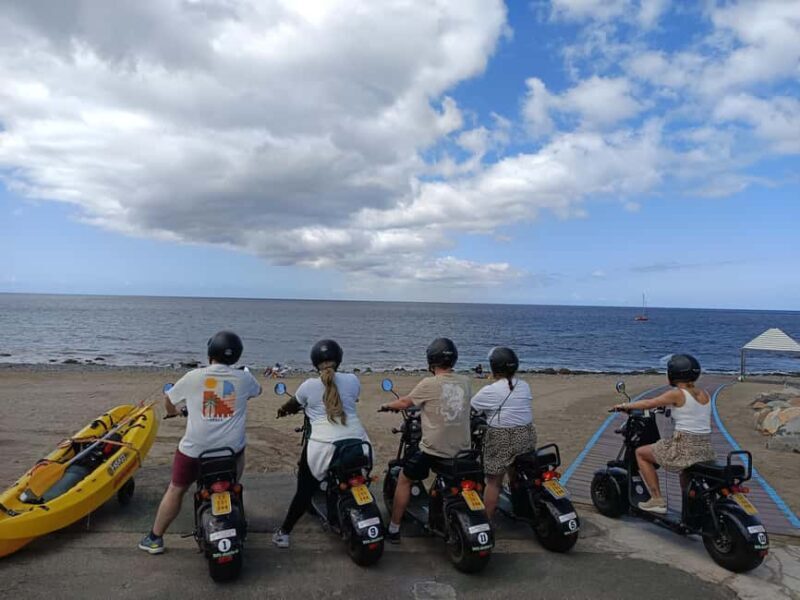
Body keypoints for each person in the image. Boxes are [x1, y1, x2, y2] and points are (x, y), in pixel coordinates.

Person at [138, 331, 262, 554]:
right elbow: (257, 392)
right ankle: (231, 489)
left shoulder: (193, 377)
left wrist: (174, 412)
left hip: (195, 453)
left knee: (176, 489)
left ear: (210, 353)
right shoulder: (245, 379)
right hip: (229, 454)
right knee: (241, 448)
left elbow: (169, 399)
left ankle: (155, 538)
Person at [272, 339, 370, 548]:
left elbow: (292, 405)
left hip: (323, 448)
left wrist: (283, 411)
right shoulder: (353, 380)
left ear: (314, 362)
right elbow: (353, 398)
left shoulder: (308, 386)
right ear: (339, 359)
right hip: (360, 444)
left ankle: (284, 533)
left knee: (304, 490)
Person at [379, 337, 471, 544]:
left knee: (405, 478)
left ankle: (393, 529)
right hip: (463, 451)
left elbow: (404, 402)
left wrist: (386, 405)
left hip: (434, 450)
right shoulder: (466, 382)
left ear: (431, 361)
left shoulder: (429, 383)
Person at [611, 353, 715, 514]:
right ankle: (690, 511)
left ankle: (656, 500)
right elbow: (690, 412)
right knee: (685, 475)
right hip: (705, 449)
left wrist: (623, 405)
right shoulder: (704, 394)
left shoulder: (677, 393)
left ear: (674, 373)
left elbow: (648, 403)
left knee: (641, 453)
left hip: (684, 447)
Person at [470, 347, 536, 519]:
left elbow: (471, 408)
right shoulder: (525, 385)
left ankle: (487, 522)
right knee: (515, 471)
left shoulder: (491, 390)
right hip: (527, 435)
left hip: (501, 437)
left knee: (493, 482)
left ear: (494, 367)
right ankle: (520, 506)